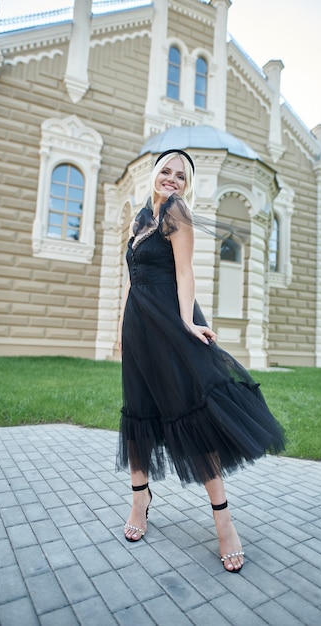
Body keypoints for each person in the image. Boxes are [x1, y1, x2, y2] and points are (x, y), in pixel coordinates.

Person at [117, 149, 285, 573]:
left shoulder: (176, 211)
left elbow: (186, 271)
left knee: (191, 413)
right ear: (154, 174)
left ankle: (224, 523)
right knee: (138, 413)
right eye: (166, 171)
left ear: (186, 185)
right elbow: (132, 280)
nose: (171, 179)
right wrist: (122, 329)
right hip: (138, 327)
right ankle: (140, 501)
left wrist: (189, 323)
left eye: (180, 175)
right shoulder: (140, 219)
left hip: (172, 325)